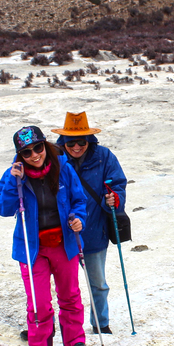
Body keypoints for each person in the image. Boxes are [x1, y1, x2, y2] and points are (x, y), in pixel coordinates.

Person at [0, 126, 89, 346]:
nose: (35, 155)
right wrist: (12, 182)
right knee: (38, 302)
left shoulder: (63, 168)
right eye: (27, 152)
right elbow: (3, 208)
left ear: (45, 145)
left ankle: (74, 340)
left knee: (69, 294)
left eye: (38, 148)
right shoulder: (14, 176)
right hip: (31, 249)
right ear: (19, 155)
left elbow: (79, 201)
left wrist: (79, 218)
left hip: (63, 243)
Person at [52, 112, 127, 334]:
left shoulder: (104, 156)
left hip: (94, 232)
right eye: (71, 142)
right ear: (63, 141)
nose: (76, 147)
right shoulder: (53, 159)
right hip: (61, 236)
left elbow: (118, 184)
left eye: (81, 142)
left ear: (89, 140)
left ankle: (101, 324)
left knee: (99, 284)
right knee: (63, 288)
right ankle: (55, 327)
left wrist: (114, 198)